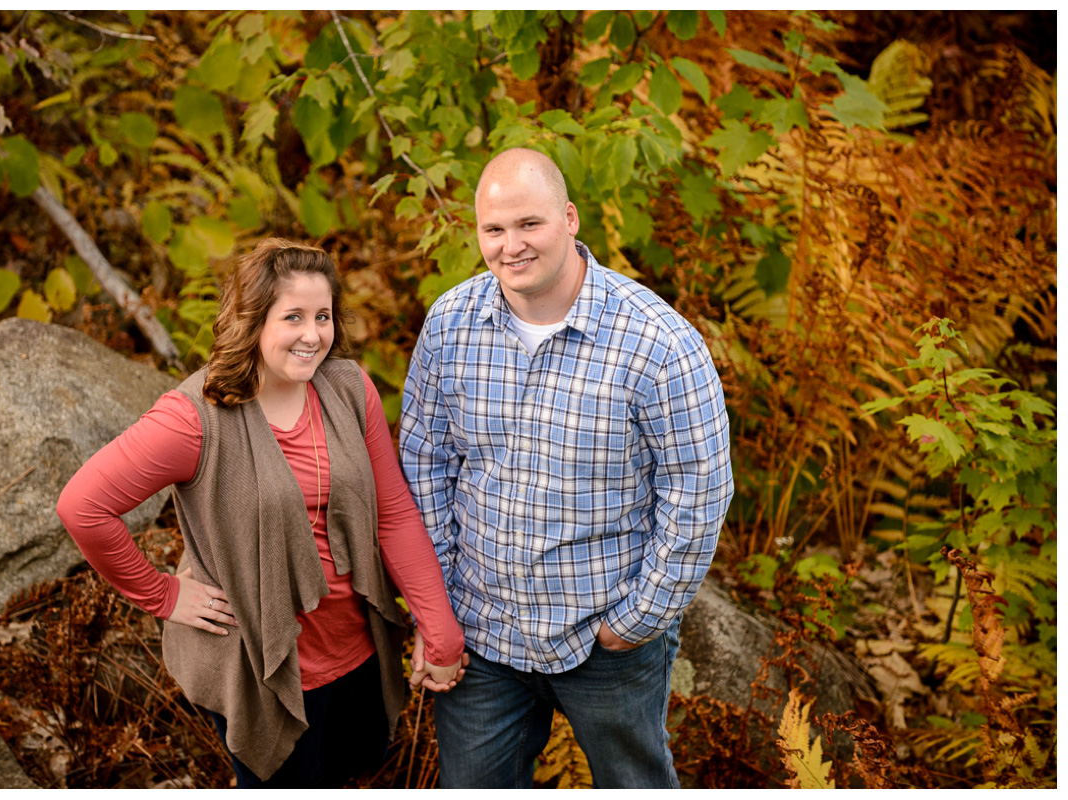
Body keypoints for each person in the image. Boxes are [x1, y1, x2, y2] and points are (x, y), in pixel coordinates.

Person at [57, 238, 466, 788]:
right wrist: (163, 595)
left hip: (358, 650)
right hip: (265, 669)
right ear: (252, 320)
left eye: (323, 316)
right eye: (292, 316)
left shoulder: (347, 387)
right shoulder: (194, 416)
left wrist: (438, 628)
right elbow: (83, 508)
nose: (313, 334)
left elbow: (391, 512)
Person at [399, 148, 733, 788]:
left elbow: (699, 494)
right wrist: (437, 610)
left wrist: (635, 621)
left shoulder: (659, 344)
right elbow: (425, 467)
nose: (511, 245)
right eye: (494, 230)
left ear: (571, 219)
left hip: (604, 637)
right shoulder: (450, 325)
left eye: (530, 224)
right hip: (482, 635)